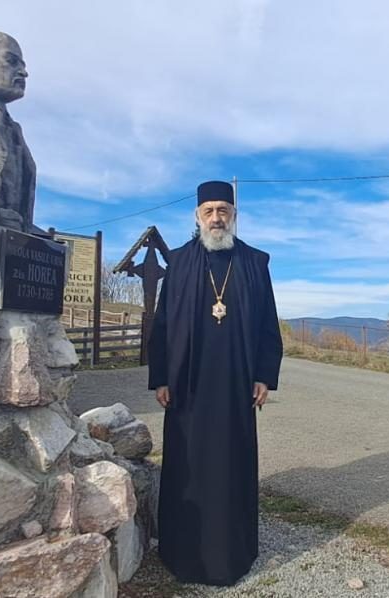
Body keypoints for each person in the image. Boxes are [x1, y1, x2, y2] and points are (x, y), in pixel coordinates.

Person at [148, 180, 283, 586]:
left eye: (223, 210)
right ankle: (181, 549)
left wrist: (264, 375)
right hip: (187, 386)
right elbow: (163, 325)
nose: (216, 218)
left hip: (236, 385)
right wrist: (160, 377)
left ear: (234, 215)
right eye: (209, 211)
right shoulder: (180, 261)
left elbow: (267, 327)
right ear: (197, 216)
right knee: (187, 464)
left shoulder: (255, 263)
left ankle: (232, 551)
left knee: (231, 464)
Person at [0, 30, 36, 231]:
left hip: (13, 248)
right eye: (11, 61)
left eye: (23, 65)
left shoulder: (14, 131)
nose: (24, 73)